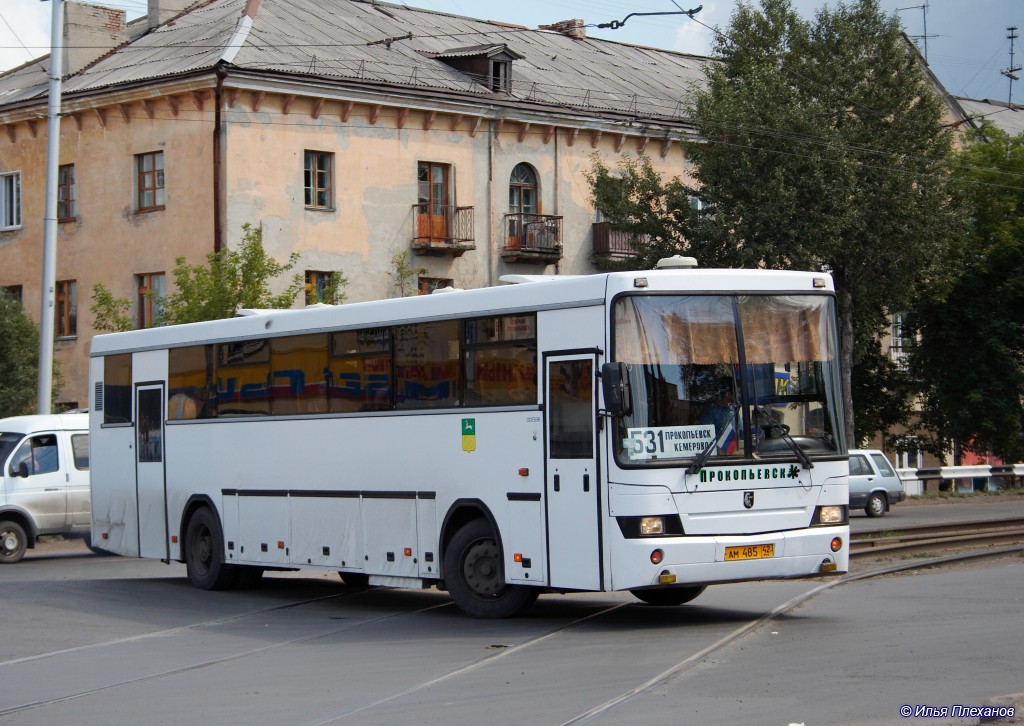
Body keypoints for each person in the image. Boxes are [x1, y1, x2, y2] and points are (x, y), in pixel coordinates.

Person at [699, 379, 738, 454]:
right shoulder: (711, 411)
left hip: (733, 453)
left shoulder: (734, 410)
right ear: (727, 393)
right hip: (717, 456)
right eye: (737, 392)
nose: (738, 395)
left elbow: (741, 431)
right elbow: (704, 436)